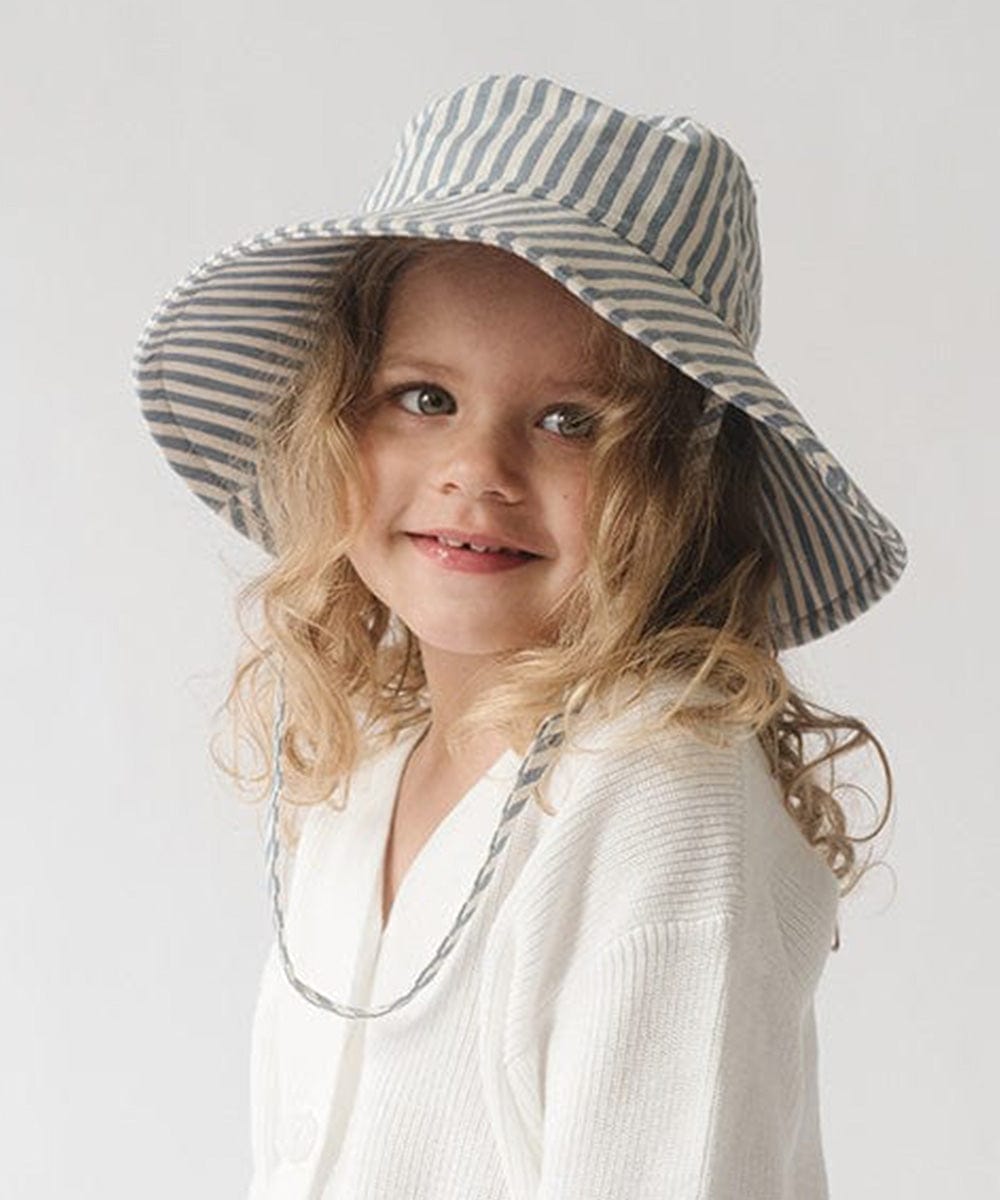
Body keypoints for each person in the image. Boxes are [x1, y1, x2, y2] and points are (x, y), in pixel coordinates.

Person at [133, 73, 908, 1199]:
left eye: (569, 422)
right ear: (335, 413)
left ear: (682, 483)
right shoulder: (370, 779)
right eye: (423, 398)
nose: (476, 473)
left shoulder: (659, 798)